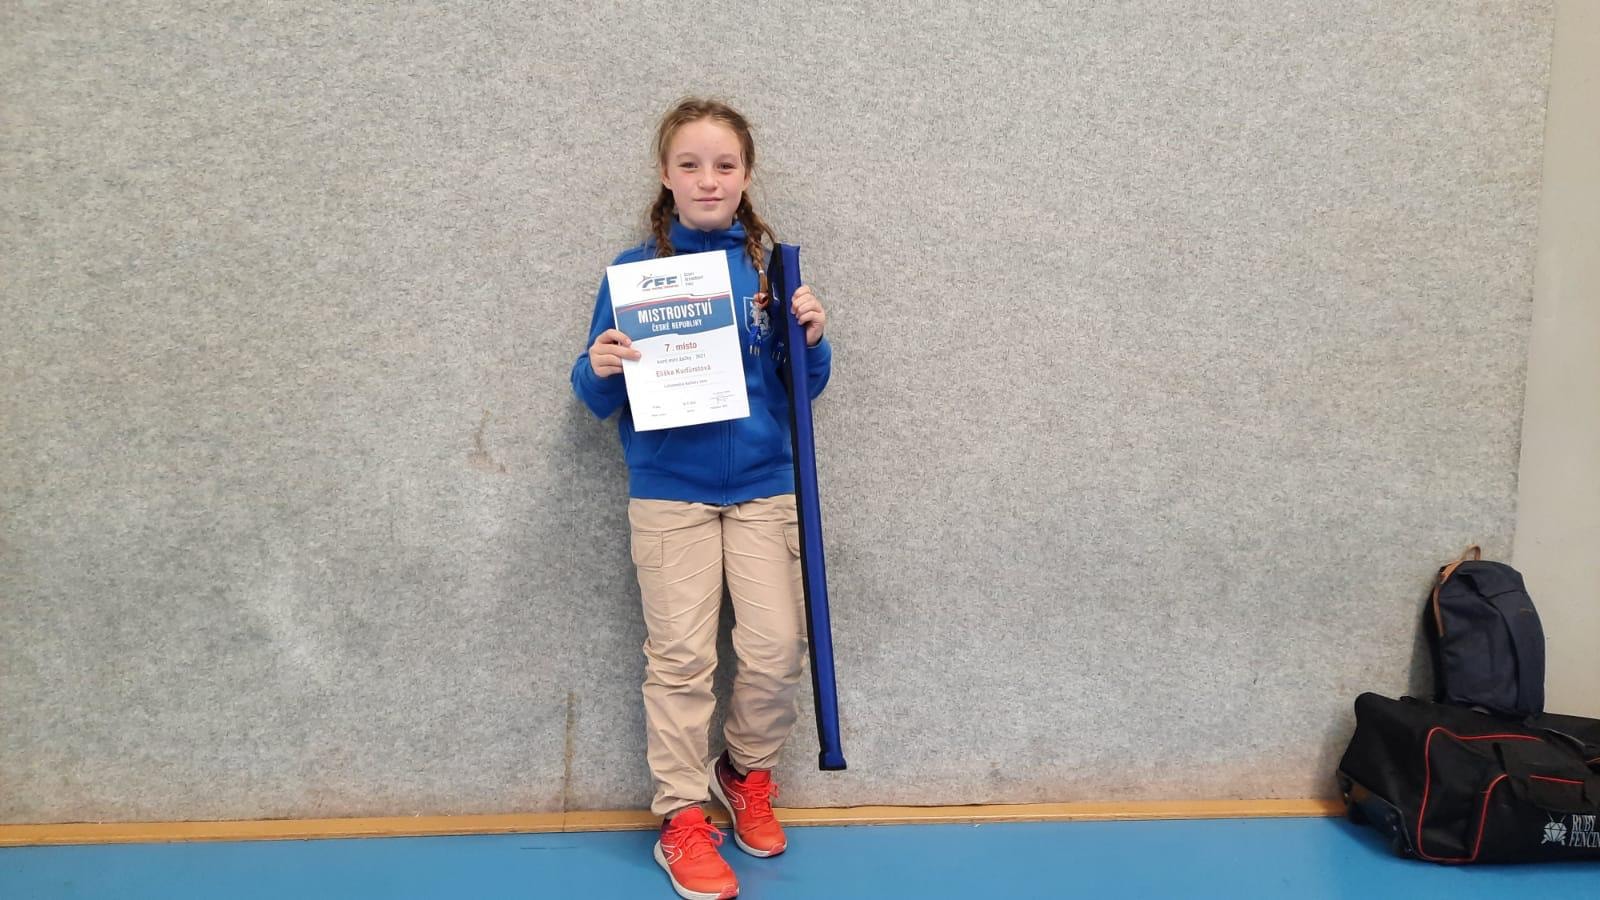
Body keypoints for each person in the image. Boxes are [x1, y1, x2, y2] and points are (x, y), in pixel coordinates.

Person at [571, 97, 832, 900]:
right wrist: (599, 365)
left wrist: (812, 338)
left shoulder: (771, 273)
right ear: (666, 175)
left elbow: (802, 389)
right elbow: (594, 393)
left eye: (724, 165)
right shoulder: (635, 276)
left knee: (776, 650)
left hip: (762, 489)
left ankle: (743, 773)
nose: (708, 179)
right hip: (671, 496)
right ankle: (682, 816)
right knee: (682, 660)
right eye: (690, 164)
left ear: (746, 176)